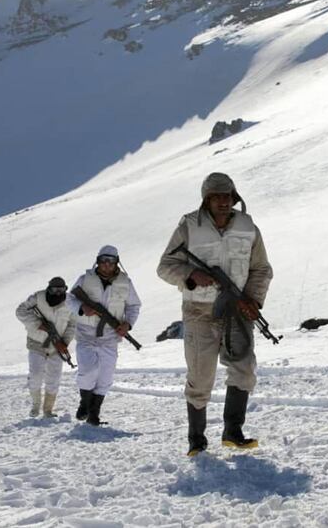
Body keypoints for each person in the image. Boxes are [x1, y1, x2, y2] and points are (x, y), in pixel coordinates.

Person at [157, 172, 273, 456]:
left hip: (237, 309)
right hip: (199, 311)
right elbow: (165, 266)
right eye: (216, 197)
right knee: (201, 376)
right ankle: (196, 440)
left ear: (235, 198)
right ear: (206, 200)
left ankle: (233, 432)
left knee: (244, 369)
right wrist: (191, 274)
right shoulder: (188, 226)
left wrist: (253, 301)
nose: (223, 202)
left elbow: (261, 269)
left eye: (227, 196)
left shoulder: (248, 227)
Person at [66, 245, 141, 426]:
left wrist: (127, 324)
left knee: (106, 377)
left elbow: (134, 306)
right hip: (85, 333)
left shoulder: (126, 282)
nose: (107, 265)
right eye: (103, 261)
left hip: (109, 336)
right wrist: (82, 308)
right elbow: (70, 299)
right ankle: (85, 402)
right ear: (97, 262)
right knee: (88, 371)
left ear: (117, 263)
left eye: (111, 262)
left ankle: (94, 415)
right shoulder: (85, 279)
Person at [15, 277, 76, 418]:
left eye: (61, 290)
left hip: (56, 346)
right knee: (36, 375)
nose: (58, 293)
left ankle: (48, 410)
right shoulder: (38, 297)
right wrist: (37, 324)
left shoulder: (70, 303)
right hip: (37, 343)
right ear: (49, 288)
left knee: (54, 379)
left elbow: (72, 325)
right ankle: (36, 405)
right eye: (55, 289)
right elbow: (20, 311)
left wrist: (64, 343)